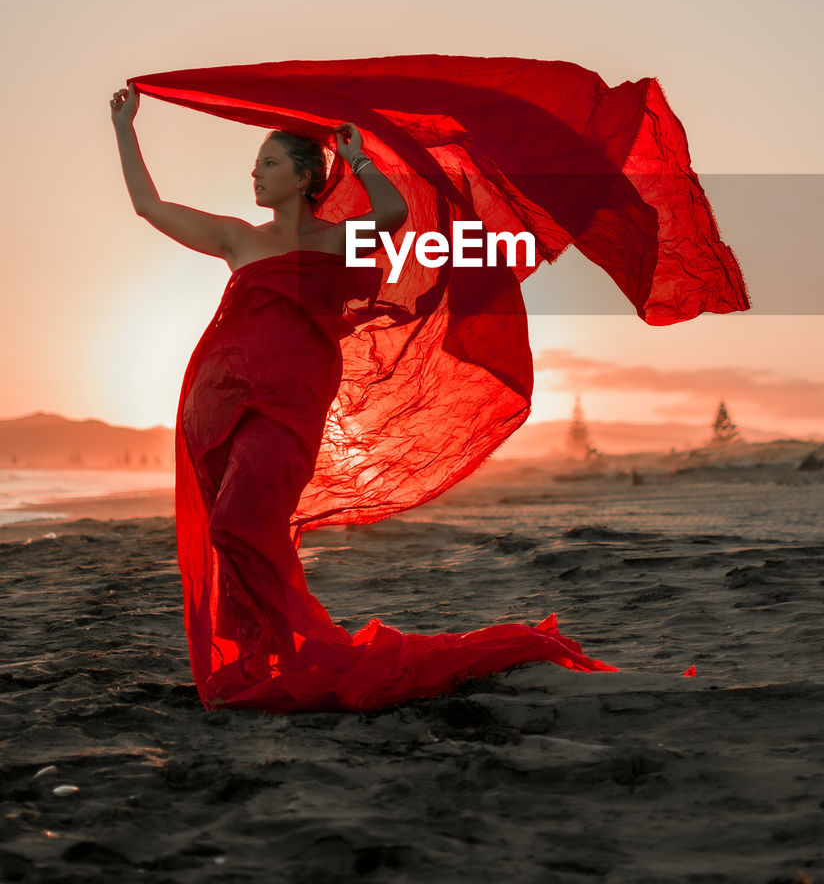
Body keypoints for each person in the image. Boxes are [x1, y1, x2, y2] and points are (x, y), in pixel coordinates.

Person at [110, 81, 617, 711]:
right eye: (254, 166)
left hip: (289, 403)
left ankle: (301, 646)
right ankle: (269, 655)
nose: (255, 176)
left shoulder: (335, 240)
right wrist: (126, 129)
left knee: (245, 521)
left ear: (302, 178)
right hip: (214, 403)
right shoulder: (239, 238)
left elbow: (392, 214)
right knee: (231, 530)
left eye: (268, 164)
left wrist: (358, 158)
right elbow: (148, 206)